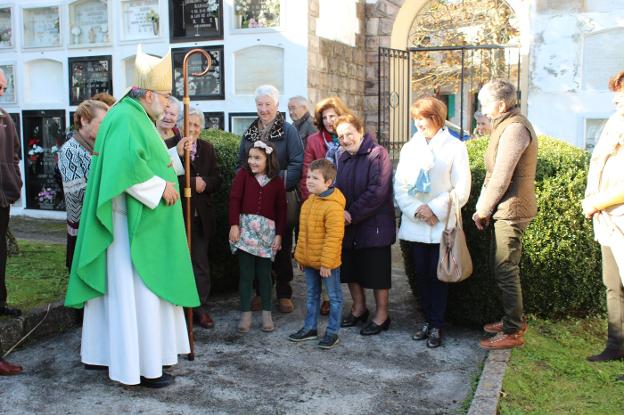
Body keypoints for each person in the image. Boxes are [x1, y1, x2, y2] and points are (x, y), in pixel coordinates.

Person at [64, 46, 200, 388]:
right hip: (132, 227)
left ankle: (130, 356)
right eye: (166, 97)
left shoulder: (135, 115)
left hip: (139, 219)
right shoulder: (126, 116)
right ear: (150, 93)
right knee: (140, 293)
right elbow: (123, 167)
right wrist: (160, 188)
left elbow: (144, 158)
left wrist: (173, 158)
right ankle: (142, 366)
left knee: (139, 295)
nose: (169, 104)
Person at [394, 97, 471, 348]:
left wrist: (435, 210)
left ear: (436, 118)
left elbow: (462, 188)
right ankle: (426, 320)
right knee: (422, 275)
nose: (419, 123)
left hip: (440, 223)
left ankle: (437, 324)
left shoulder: (455, 147)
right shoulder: (409, 148)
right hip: (416, 223)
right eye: (415, 118)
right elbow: (400, 186)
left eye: (423, 118)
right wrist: (418, 210)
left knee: (439, 277)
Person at [472, 79, 537, 350]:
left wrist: (482, 210)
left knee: (505, 269)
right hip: (505, 208)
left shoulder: (515, 129)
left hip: (512, 209)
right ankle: (513, 320)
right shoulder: (506, 125)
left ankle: (513, 331)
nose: (484, 110)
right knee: (501, 267)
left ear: (500, 104)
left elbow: (501, 176)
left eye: (486, 104)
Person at [238, 85, 304, 313]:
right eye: (260, 104)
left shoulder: (289, 131)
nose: (263, 109)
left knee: (282, 244)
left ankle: (284, 291)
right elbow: (241, 164)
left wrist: (275, 182)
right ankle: (260, 291)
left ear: (277, 105)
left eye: (268, 104)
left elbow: (298, 163)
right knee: (257, 245)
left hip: (281, 197)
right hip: (255, 198)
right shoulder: (249, 133)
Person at [334, 114, 396, 336]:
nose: (346, 139)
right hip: (348, 223)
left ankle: (382, 316)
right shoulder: (341, 157)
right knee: (351, 269)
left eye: (349, 133)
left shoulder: (378, 154)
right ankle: (359, 309)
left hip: (374, 224)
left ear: (360, 131)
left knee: (377, 272)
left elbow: (377, 191)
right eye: (341, 136)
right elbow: (337, 189)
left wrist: (351, 213)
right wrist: (338, 211)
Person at [582, 70, 624, 372]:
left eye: (620, 93)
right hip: (608, 221)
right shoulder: (615, 122)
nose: (615, 98)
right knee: (613, 286)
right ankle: (615, 345)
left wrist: (596, 202)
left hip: (616, 215)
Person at [166, 107, 222, 329]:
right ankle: (178, 309)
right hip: (177, 215)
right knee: (178, 262)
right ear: (180, 126)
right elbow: (164, 178)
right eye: (189, 124)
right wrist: (190, 184)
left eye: (197, 125)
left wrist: (205, 183)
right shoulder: (171, 148)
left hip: (201, 218)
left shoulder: (207, 148)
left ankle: (200, 308)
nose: (193, 129)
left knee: (200, 263)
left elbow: (217, 179)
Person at [299, 96, 351, 316]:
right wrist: (312, 203)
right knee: (319, 249)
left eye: (333, 116)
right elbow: (305, 175)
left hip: (344, 203)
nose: (330, 120)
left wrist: (345, 208)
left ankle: (340, 298)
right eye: (325, 117)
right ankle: (325, 298)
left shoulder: (349, 138)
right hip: (320, 202)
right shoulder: (313, 140)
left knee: (337, 252)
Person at [229, 140, 286, 333]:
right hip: (245, 231)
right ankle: (245, 314)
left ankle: (266, 313)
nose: (252, 161)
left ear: (268, 159)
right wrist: (234, 225)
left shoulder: (277, 181)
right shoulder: (243, 176)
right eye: (250, 157)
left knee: (265, 275)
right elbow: (234, 199)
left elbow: (281, 209)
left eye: (257, 158)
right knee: (246, 274)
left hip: (266, 234)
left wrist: (279, 235)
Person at [290, 159, 346, 349]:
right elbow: (303, 233)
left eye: (315, 178)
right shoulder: (308, 203)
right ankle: (310, 328)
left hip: (327, 264)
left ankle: (332, 332)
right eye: (308, 177)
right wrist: (300, 257)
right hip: (310, 260)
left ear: (328, 182)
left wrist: (327, 263)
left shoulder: (333, 206)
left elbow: (334, 237)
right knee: (312, 295)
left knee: (334, 297)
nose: (309, 181)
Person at [58, 99, 109, 269]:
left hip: (99, 220)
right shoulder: (70, 150)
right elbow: (77, 193)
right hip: (83, 228)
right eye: (102, 123)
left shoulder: (101, 145)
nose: (106, 128)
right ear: (84, 120)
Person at [0, 68, 23, 318]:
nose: (3, 92)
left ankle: (1, 301)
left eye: (4, 87)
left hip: (3, 196)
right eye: (0, 87)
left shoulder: (5, 118)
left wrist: (14, 181)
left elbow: (14, 153)